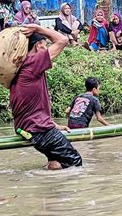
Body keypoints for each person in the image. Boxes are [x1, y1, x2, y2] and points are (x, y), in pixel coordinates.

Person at [12, 24, 82, 170]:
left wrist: (53, 125)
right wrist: (38, 28)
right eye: (45, 46)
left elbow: (30, 107)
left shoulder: (20, 68)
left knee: (56, 162)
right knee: (75, 162)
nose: (46, 50)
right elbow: (63, 40)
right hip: (40, 130)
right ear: (38, 46)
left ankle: (50, 189)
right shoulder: (33, 63)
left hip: (28, 130)